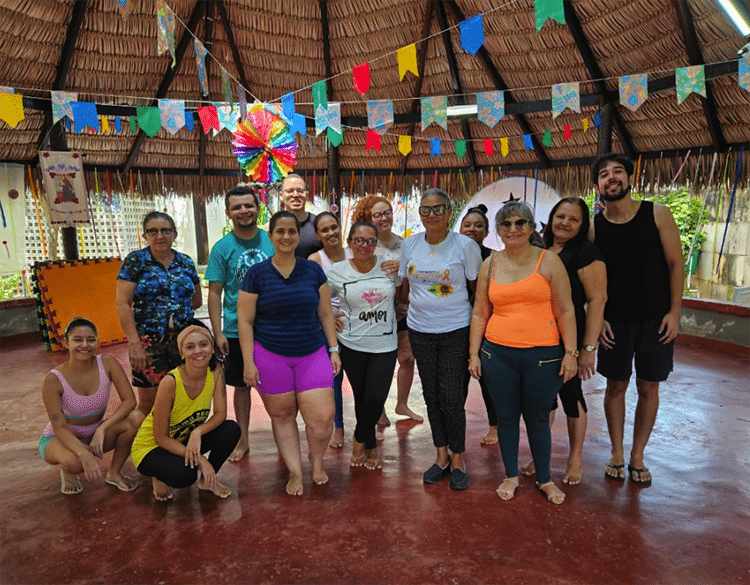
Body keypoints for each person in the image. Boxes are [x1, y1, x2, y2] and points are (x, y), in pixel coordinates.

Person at [468, 201, 577, 505]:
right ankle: (511, 474)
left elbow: (566, 310)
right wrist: (474, 353)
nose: (513, 229)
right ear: (498, 230)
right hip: (497, 355)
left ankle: (544, 478)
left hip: (543, 356)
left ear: (531, 227)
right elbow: (479, 312)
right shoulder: (489, 264)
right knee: (506, 418)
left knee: (538, 418)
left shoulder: (549, 261)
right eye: (506, 224)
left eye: (520, 223)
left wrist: (571, 352)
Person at [591, 153, 684, 485]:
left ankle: (637, 455)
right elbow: (586, 279)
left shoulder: (657, 214)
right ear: (598, 185)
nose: (611, 177)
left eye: (618, 171)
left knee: (649, 386)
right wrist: (595, 318)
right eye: (604, 174)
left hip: (656, 322)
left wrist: (674, 312)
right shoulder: (593, 227)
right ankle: (616, 452)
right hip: (613, 323)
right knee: (615, 385)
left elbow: (676, 265)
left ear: (629, 179)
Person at [237, 210, 341, 496]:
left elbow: (325, 313)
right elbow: (245, 320)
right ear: (270, 236)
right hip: (270, 354)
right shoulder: (256, 274)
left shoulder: (312, 269)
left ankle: (316, 460)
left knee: (322, 419)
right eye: (280, 231)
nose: (286, 236)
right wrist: (248, 362)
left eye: (291, 231)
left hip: (312, 352)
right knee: (282, 416)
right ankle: (295, 471)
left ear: (299, 236)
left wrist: (333, 348)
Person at [517, 197, 607, 485]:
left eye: (573, 219)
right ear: (551, 217)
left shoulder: (585, 253)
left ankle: (575, 457)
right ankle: (541, 454)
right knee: (541, 400)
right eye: (560, 216)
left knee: (571, 396)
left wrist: (587, 349)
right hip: (536, 337)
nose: (565, 223)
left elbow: (597, 299)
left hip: (568, 338)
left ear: (582, 225)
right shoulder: (539, 250)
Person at [399, 188, 482, 491]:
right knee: (432, 395)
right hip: (420, 330)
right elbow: (404, 286)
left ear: (449, 212)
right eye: (425, 210)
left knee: (451, 396)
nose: (431, 215)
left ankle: (458, 458)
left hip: (456, 329)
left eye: (438, 209)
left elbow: (478, 290)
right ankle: (440, 456)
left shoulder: (465, 245)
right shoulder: (409, 245)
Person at [130, 322, 241, 501]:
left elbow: (220, 414)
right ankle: (158, 475)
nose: (198, 351)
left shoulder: (216, 371)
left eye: (203, 344)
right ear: (182, 353)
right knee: (184, 475)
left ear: (212, 348)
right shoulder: (171, 382)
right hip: (151, 448)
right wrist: (202, 461)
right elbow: (160, 437)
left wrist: (198, 432)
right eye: (190, 347)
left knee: (230, 430)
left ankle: (207, 482)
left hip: (184, 439)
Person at [206, 185, 275, 462]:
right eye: (237, 207)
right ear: (228, 213)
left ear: (258, 208)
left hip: (272, 328)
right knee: (242, 386)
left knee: (277, 386)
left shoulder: (271, 240)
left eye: (248, 205)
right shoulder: (222, 248)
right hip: (236, 329)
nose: (243, 211)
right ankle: (243, 438)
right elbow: (214, 292)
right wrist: (218, 331)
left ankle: (283, 433)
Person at [327, 222, 401, 470]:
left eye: (370, 240)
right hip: (352, 344)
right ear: (349, 242)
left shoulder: (389, 267)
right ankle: (371, 447)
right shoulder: (336, 271)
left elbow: (404, 294)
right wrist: (330, 316)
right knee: (362, 399)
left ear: (376, 243)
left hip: (385, 344)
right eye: (359, 240)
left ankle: (358, 438)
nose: (365, 245)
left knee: (375, 398)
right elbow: (318, 301)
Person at [40, 318, 142, 495]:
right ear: (66, 343)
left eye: (91, 339)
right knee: (76, 462)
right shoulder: (53, 380)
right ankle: (68, 470)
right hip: (60, 438)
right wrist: (85, 454)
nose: (85, 345)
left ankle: (114, 472)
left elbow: (130, 401)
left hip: (95, 433)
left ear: (97, 341)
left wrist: (103, 429)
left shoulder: (107, 363)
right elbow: (60, 428)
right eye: (78, 340)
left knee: (136, 419)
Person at [116, 211, 202, 415]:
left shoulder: (185, 262)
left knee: (184, 398)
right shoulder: (135, 261)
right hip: (148, 342)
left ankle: (180, 444)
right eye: (152, 231)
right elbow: (122, 304)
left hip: (183, 341)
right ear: (144, 236)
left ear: (174, 234)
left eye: (165, 230)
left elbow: (196, 301)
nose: (159, 236)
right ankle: (147, 446)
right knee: (149, 403)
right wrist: (135, 345)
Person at [352, 195, 422, 427]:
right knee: (378, 363)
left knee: (407, 357)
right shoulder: (366, 245)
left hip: (401, 310)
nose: (384, 218)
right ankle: (378, 408)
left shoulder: (405, 244)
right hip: (376, 313)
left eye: (388, 212)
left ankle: (401, 403)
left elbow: (413, 273)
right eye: (378, 214)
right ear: (369, 218)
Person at [308, 212, 352, 449]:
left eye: (334, 227)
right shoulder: (315, 260)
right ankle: (339, 427)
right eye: (324, 230)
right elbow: (311, 298)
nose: (331, 233)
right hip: (330, 326)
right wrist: (331, 319)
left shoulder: (355, 252)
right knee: (335, 377)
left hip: (359, 325)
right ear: (317, 235)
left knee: (364, 375)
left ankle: (377, 413)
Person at [459, 204, 498, 446]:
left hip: (487, 326)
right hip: (456, 326)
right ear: (460, 229)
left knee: (488, 379)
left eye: (478, 226)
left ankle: (495, 426)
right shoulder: (450, 254)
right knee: (457, 380)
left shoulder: (494, 258)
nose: (472, 229)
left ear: (486, 232)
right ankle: (455, 424)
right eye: (468, 225)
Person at [279, 174, 323, 258]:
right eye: (290, 191)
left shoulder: (318, 223)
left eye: (300, 191)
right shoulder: (273, 226)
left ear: (307, 195)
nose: (295, 195)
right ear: (281, 195)